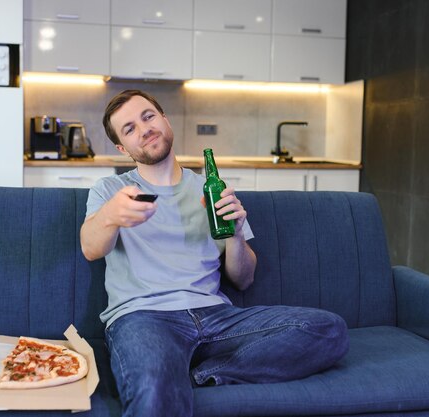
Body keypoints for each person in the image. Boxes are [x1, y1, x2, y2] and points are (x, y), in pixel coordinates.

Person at [80, 89, 349, 417]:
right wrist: (111, 215)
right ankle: (172, 371)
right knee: (152, 386)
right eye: (130, 128)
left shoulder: (210, 188)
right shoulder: (111, 191)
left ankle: (202, 373)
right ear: (123, 148)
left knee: (327, 329)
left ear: (165, 119)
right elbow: (91, 248)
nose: (144, 128)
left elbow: (244, 279)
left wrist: (236, 233)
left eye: (148, 116)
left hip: (216, 317)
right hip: (144, 317)